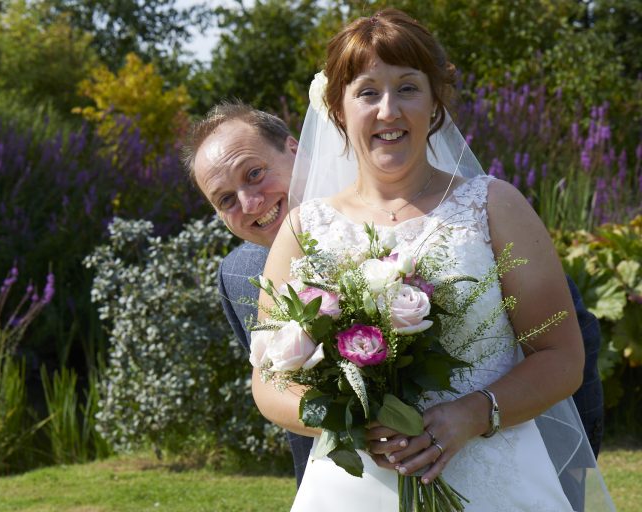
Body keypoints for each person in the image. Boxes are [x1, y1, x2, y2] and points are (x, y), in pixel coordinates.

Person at [251, 9, 613, 511]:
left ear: (435, 101)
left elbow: (562, 357)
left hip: (493, 474)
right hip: (356, 485)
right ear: (337, 108)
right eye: (367, 92)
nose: (388, 111)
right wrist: (350, 420)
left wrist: (473, 414)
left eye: (407, 88)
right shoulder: (304, 230)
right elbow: (269, 382)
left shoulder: (494, 206)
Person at [182, 96, 605, 494]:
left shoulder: (451, 219)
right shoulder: (239, 274)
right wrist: (349, 428)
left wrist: (562, 468)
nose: (250, 202)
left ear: (295, 149)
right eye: (225, 200)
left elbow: (566, 343)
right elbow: (281, 386)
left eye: (254, 173)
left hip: (500, 464)